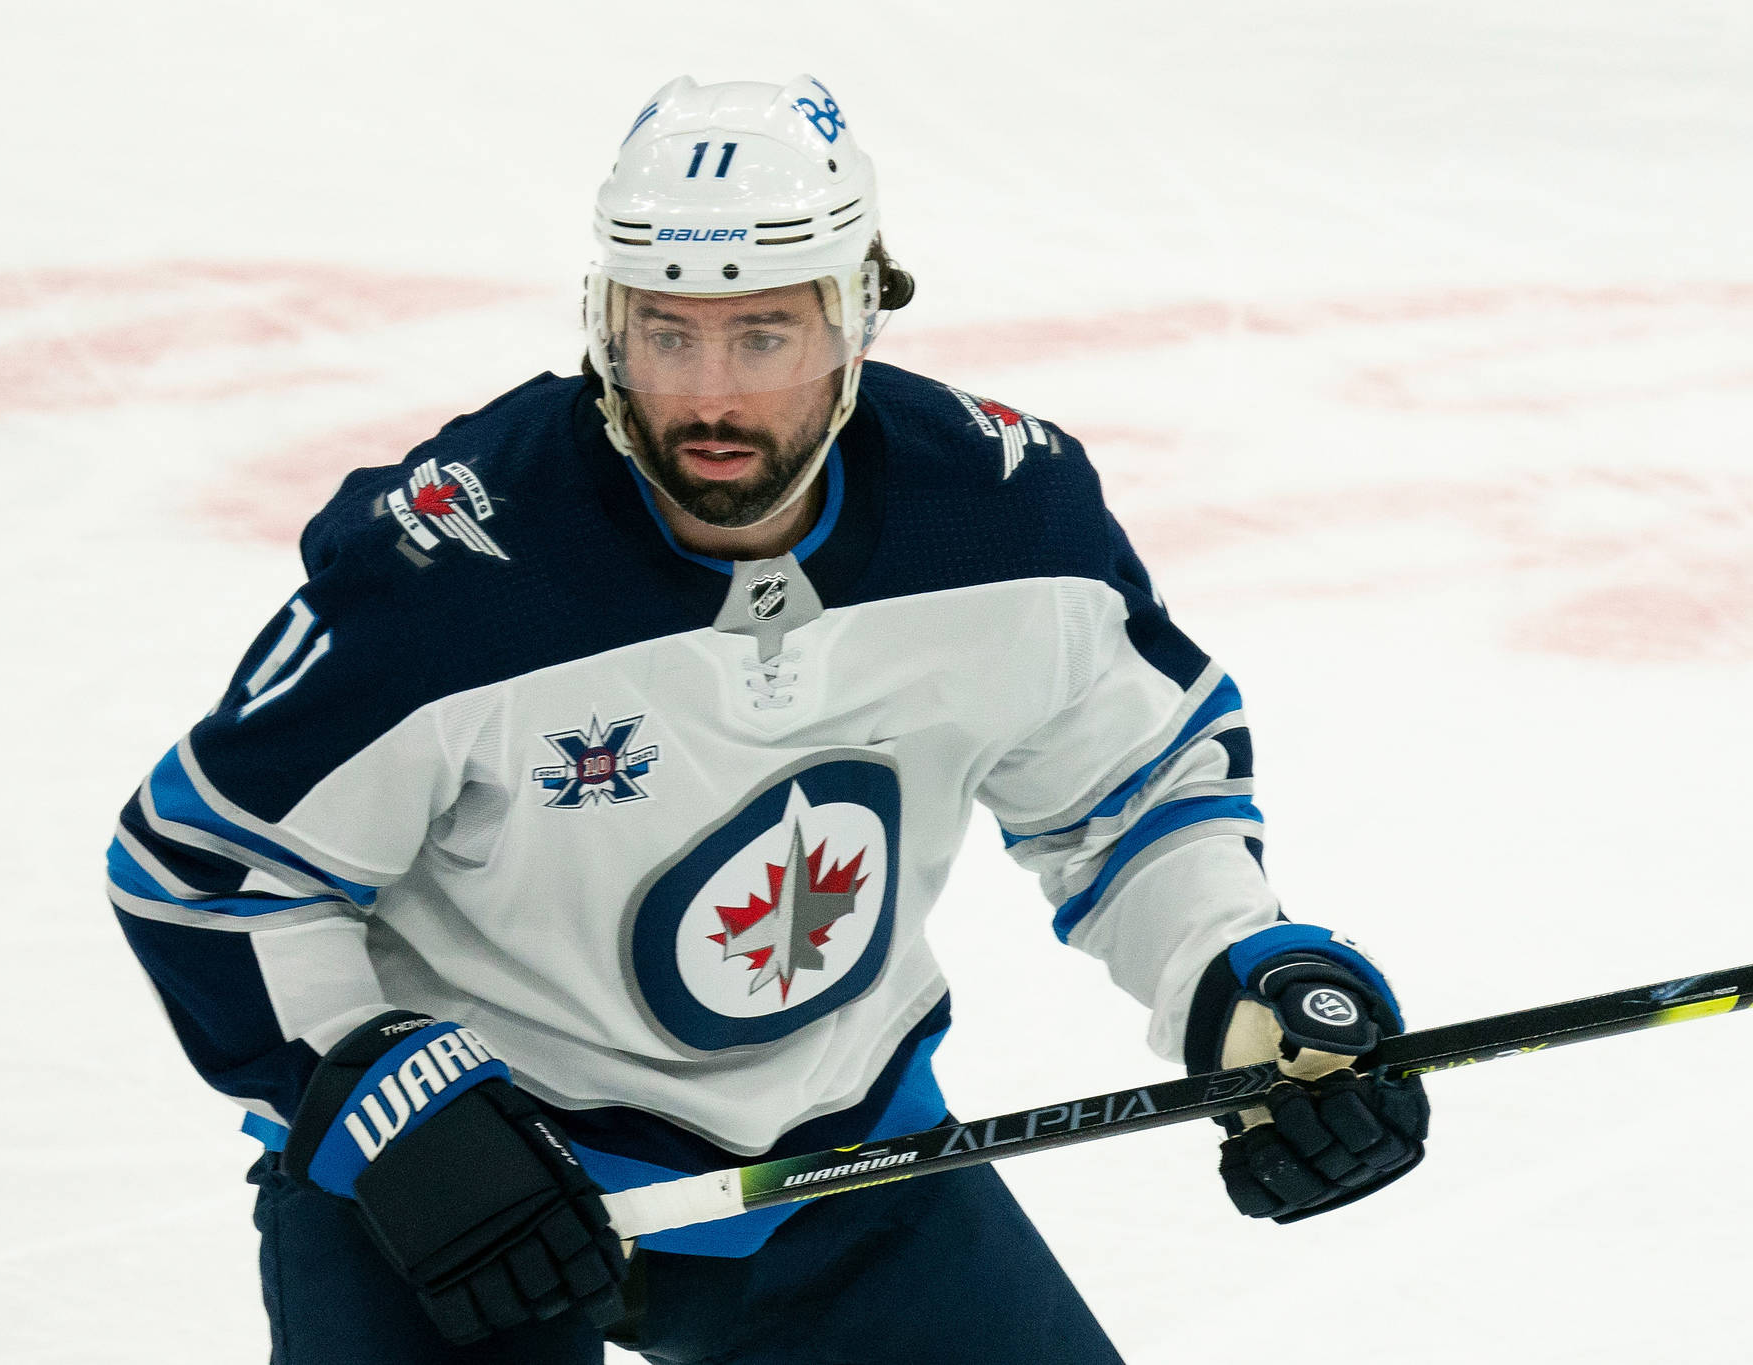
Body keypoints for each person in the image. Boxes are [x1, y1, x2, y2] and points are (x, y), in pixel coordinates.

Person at [108, 75, 1430, 1364]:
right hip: (468, 1187)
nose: (712, 398)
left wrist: (1242, 985)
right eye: (666, 332)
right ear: (602, 319)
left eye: (764, 334)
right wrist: (393, 1108)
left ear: (859, 318)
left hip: (835, 1159)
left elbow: (1130, 792)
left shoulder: (1006, 524)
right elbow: (205, 874)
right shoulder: (459, 574)